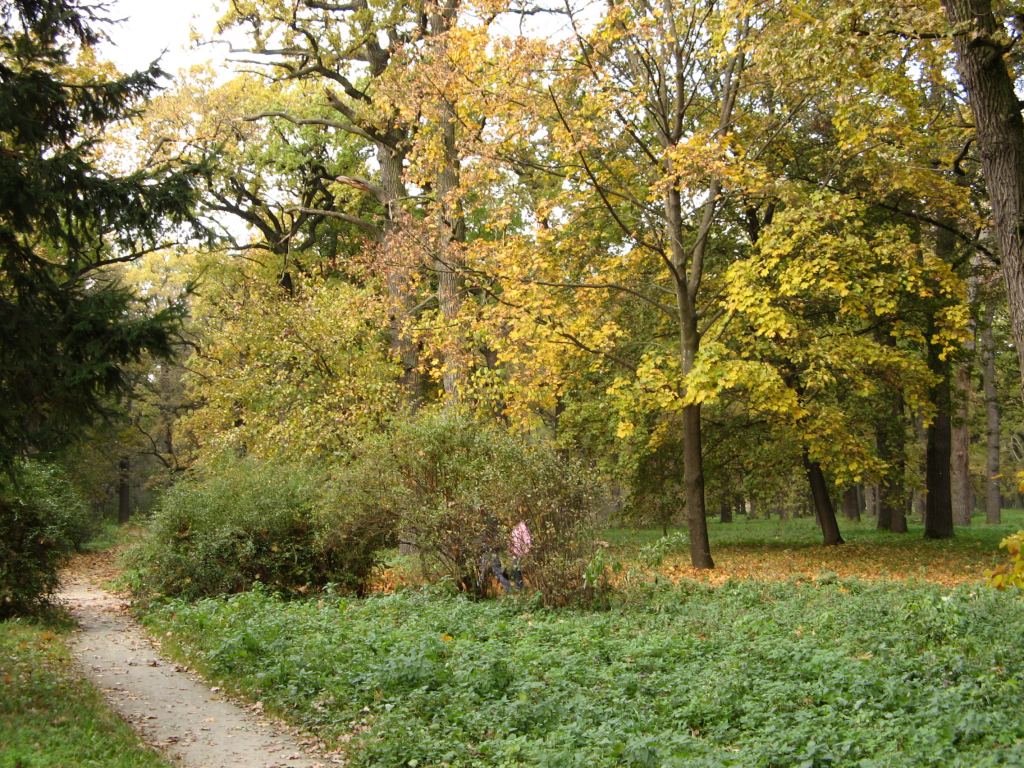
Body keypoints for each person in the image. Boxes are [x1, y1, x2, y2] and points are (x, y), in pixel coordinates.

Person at [509, 520, 532, 590]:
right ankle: (519, 587)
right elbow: (513, 541)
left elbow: (527, 539)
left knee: (519, 569)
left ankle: (521, 587)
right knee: (515, 569)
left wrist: (526, 552)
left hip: (521, 553)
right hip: (515, 553)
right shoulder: (514, 527)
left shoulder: (522, 526)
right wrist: (511, 548)